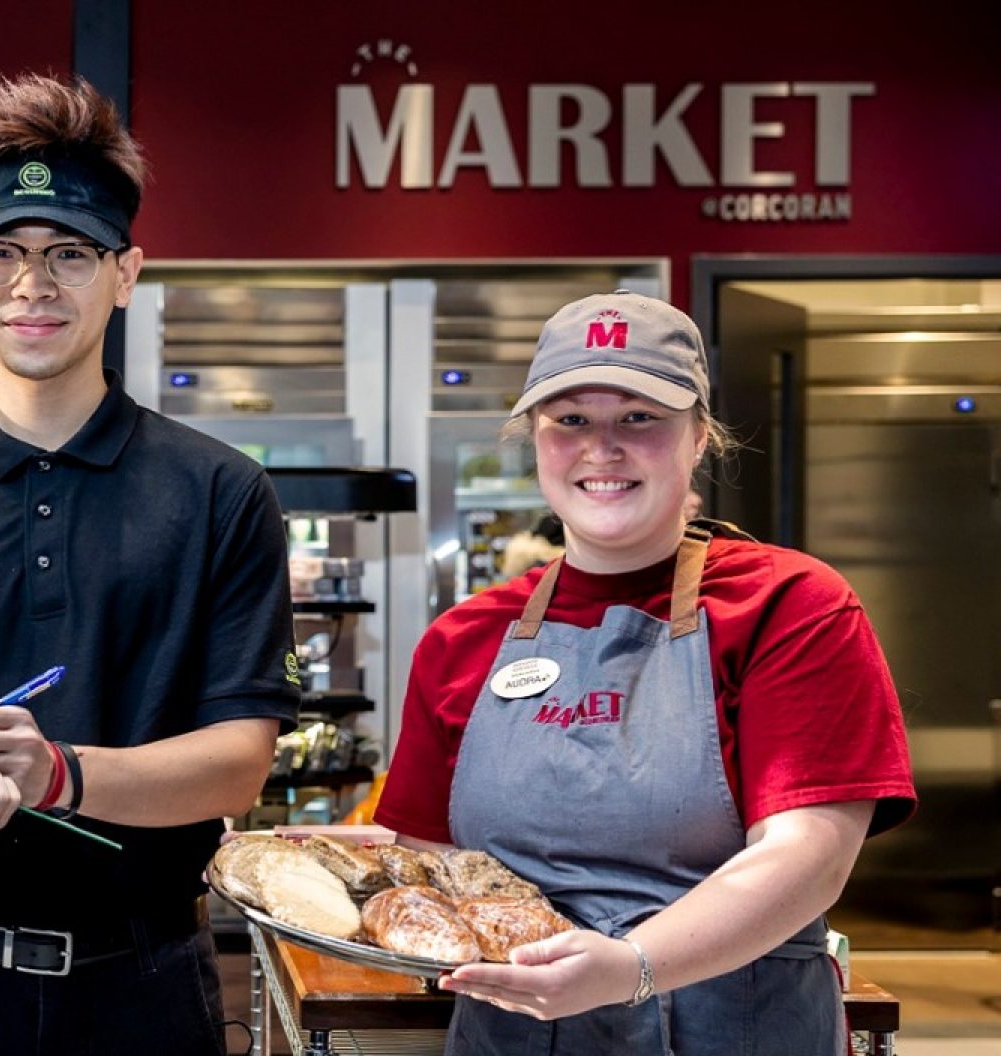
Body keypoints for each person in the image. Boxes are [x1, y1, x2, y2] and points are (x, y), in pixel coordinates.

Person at [0, 74, 300, 1056]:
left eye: (70, 253)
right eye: (1, 253)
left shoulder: (218, 494)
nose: (33, 284)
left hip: (147, 984)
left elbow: (240, 760)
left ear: (126, 273)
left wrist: (54, 775)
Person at [375, 291, 915, 1055]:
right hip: (516, 1038)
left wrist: (633, 967)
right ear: (534, 437)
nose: (602, 448)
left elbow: (809, 855)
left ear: (699, 438)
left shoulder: (789, 606)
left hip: (736, 1030)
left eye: (639, 417)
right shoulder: (461, 640)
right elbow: (428, 864)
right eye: (570, 419)